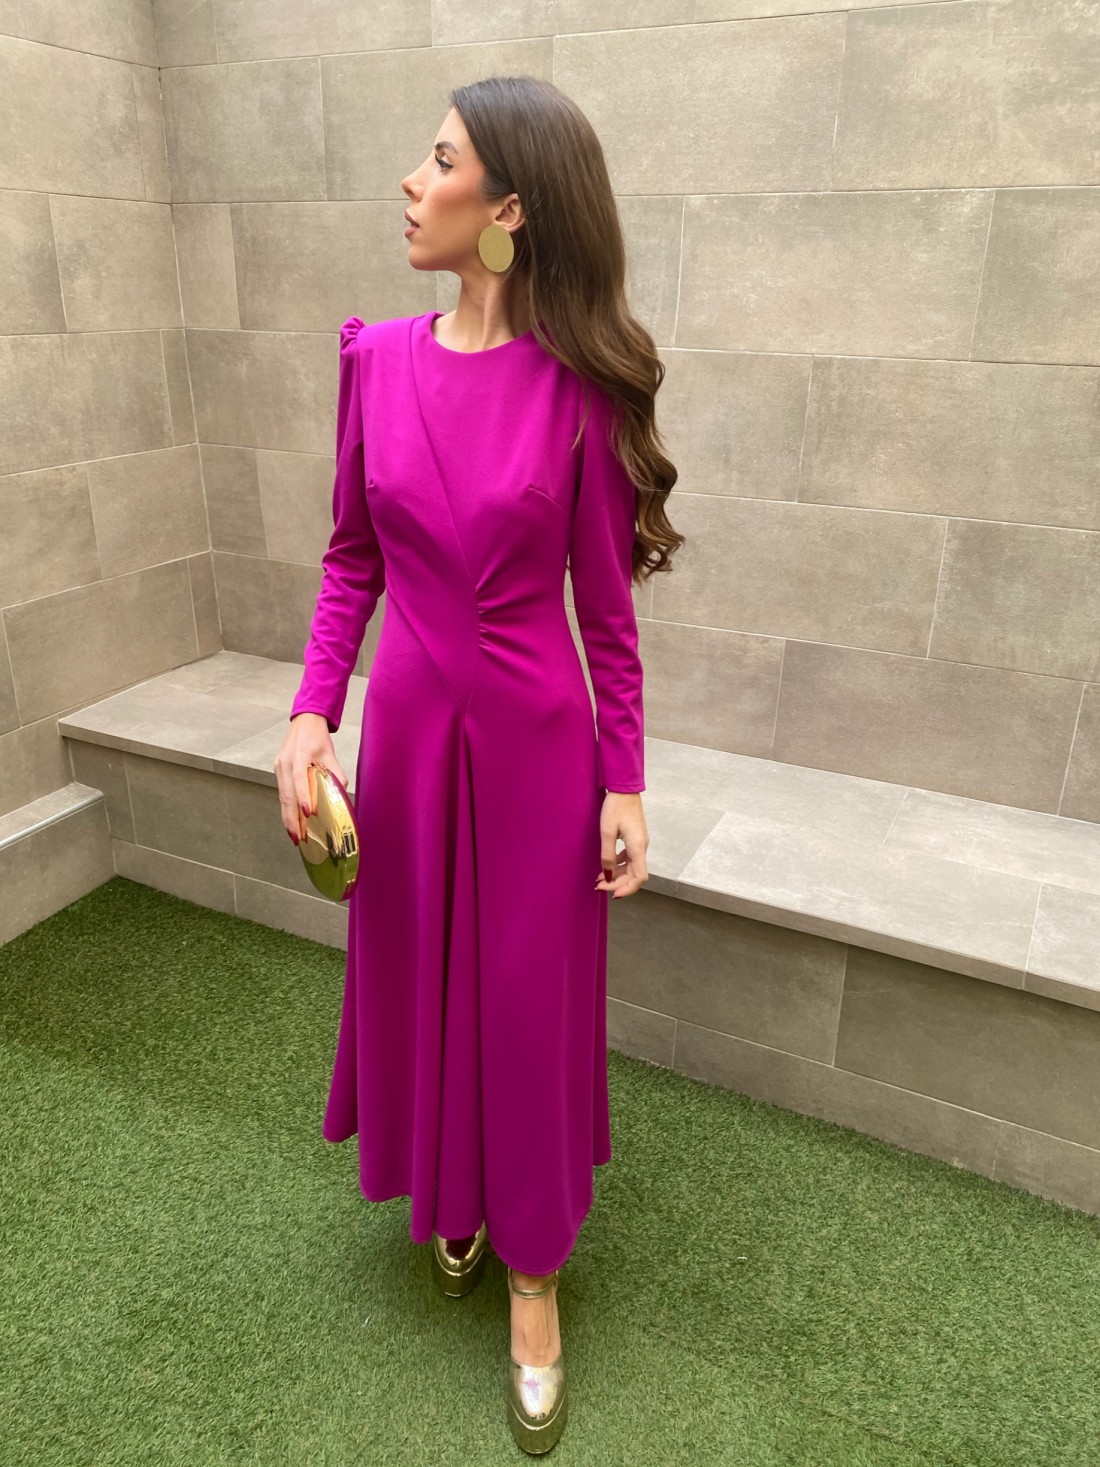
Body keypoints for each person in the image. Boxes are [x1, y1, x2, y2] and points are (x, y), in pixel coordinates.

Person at [274, 74, 682, 1455]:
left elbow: (606, 615)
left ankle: (535, 1278)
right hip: (405, 736)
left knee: (524, 1002)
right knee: (419, 975)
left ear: (506, 209)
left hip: (535, 748)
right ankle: (452, 1198)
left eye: (438, 160)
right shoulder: (373, 360)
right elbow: (352, 557)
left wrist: (624, 782)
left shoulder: (577, 395)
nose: (410, 180)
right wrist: (313, 712)